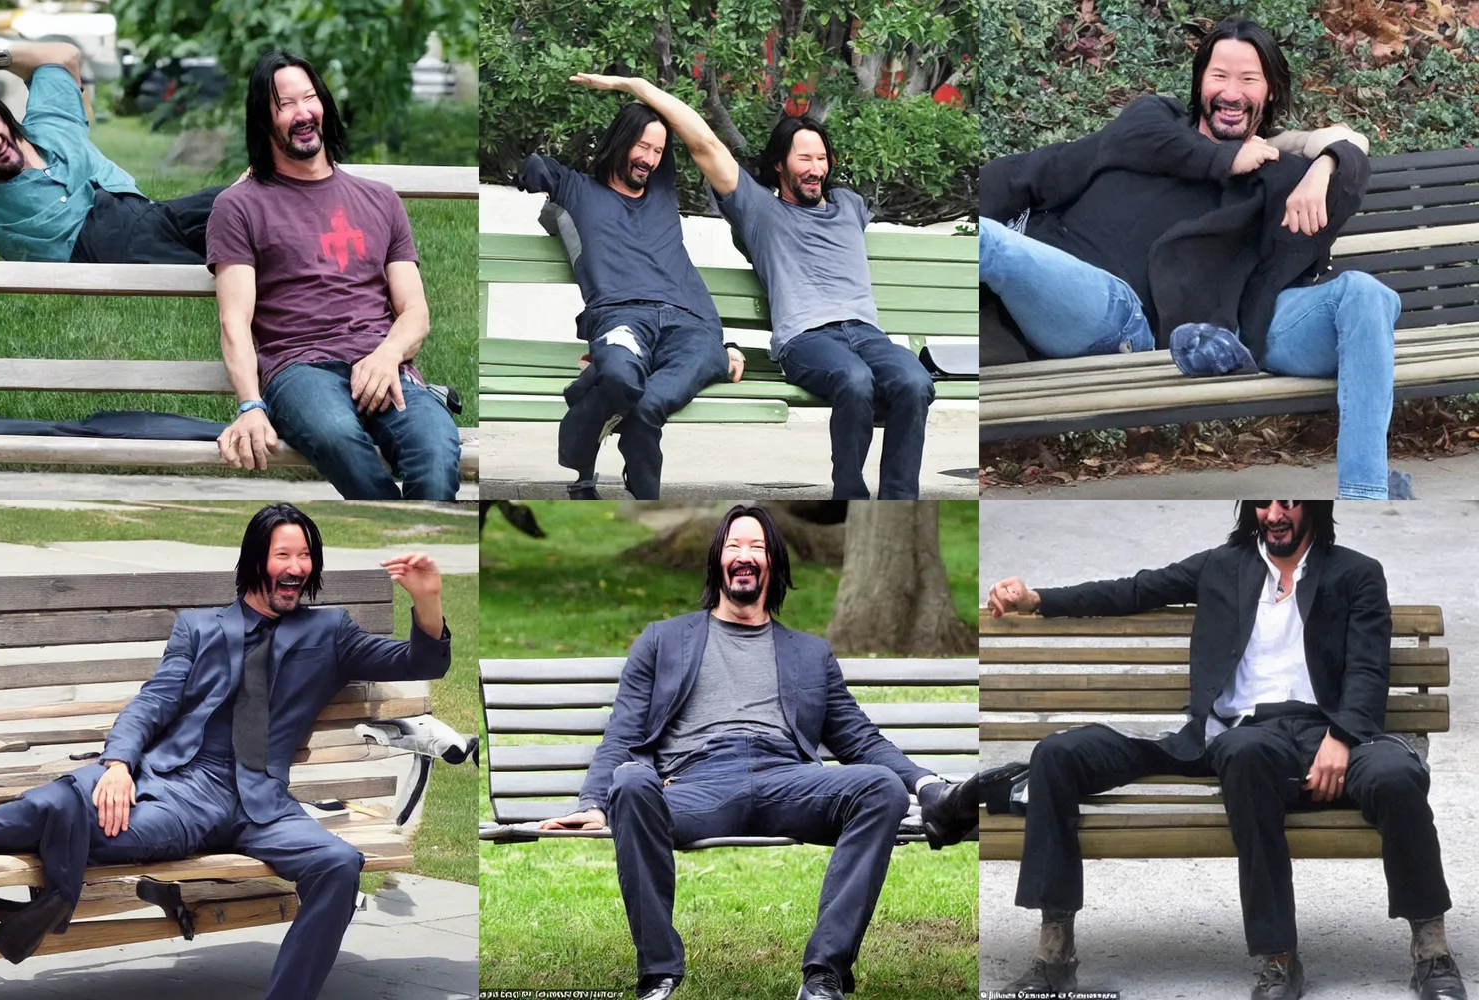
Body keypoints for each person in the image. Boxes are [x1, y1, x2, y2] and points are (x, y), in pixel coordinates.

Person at [986, 501, 1462, 1000]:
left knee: (1396, 776)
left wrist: (1340, 738)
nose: (1275, 514)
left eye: (1288, 503)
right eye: (1263, 503)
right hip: (1237, 735)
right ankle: (1059, 953)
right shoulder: (1222, 565)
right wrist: (1035, 598)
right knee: (1058, 756)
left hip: (1332, 733)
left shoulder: (1357, 573)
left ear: (1315, 507)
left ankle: (1431, 949)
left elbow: (1368, 669)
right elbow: (1131, 590)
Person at [0, 503, 454, 1000]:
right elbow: (155, 701)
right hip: (184, 793)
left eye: (306, 555)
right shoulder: (199, 627)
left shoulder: (330, 631)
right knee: (67, 805)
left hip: (265, 804)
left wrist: (428, 600)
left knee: (338, 862)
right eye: (283, 554)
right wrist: (117, 764)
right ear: (254, 561)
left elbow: (421, 660)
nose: (296, 567)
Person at [537, 505, 980, 1000]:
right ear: (716, 563)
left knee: (877, 788)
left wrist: (926, 784)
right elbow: (621, 734)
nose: (744, 556)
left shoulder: (810, 654)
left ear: (774, 563)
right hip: (696, 784)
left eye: (757, 546)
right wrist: (592, 805)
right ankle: (659, 974)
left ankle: (823, 975)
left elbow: (860, 739)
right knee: (631, 781)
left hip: (787, 779)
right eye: (733, 546)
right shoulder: (663, 640)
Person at [978, 18, 1399, 499]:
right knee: (983, 237)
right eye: (1219, 76)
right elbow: (1034, 170)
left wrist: (1326, 162)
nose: (1231, 92)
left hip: (1121, 318)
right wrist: (1224, 159)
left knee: (1368, 294)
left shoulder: (1273, 175)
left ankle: (1366, 497)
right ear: (1199, 83)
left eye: (1249, 79)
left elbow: (1350, 148)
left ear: (1272, 91)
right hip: (1051, 280)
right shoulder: (1152, 125)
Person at [567, 74, 934, 499]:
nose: (816, 169)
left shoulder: (849, 205)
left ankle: (899, 501)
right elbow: (705, 145)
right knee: (854, 380)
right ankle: (849, 497)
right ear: (779, 164)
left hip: (867, 333)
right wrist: (637, 87)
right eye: (804, 159)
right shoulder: (760, 209)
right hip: (807, 339)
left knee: (914, 381)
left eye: (822, 159)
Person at [207, 51, 464, 499]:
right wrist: (250, 405)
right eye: (285, 104)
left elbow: (415, 311)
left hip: (383, 363)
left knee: (436, 449)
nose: (303, 113)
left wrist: (386, 357)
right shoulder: (239, 206)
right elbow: (234, 321)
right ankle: (402, 543)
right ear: (263, 120)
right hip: (300, 370)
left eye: (310, 98)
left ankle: (414, 553)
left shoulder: (380, 200)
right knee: (335, 435)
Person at [515, 91, 736, 500]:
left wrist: (634, 84)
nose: (650, 159)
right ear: (621, 140)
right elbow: (535, 169)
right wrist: (532, 173)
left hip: (692, 326)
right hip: (621, 318)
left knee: (654, 398)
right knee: (620, 375)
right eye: (642, 146)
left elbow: (696, 133)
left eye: (657, 150)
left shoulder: (661, 188)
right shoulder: (577, 188)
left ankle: (634, 484)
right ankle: (593, 414)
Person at [0, 42, 225, 263]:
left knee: (237, 201)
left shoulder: (51, 119)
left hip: (150, 215)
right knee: (208, 270)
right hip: (104, 243)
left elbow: (64, 55)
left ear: (0, 111)